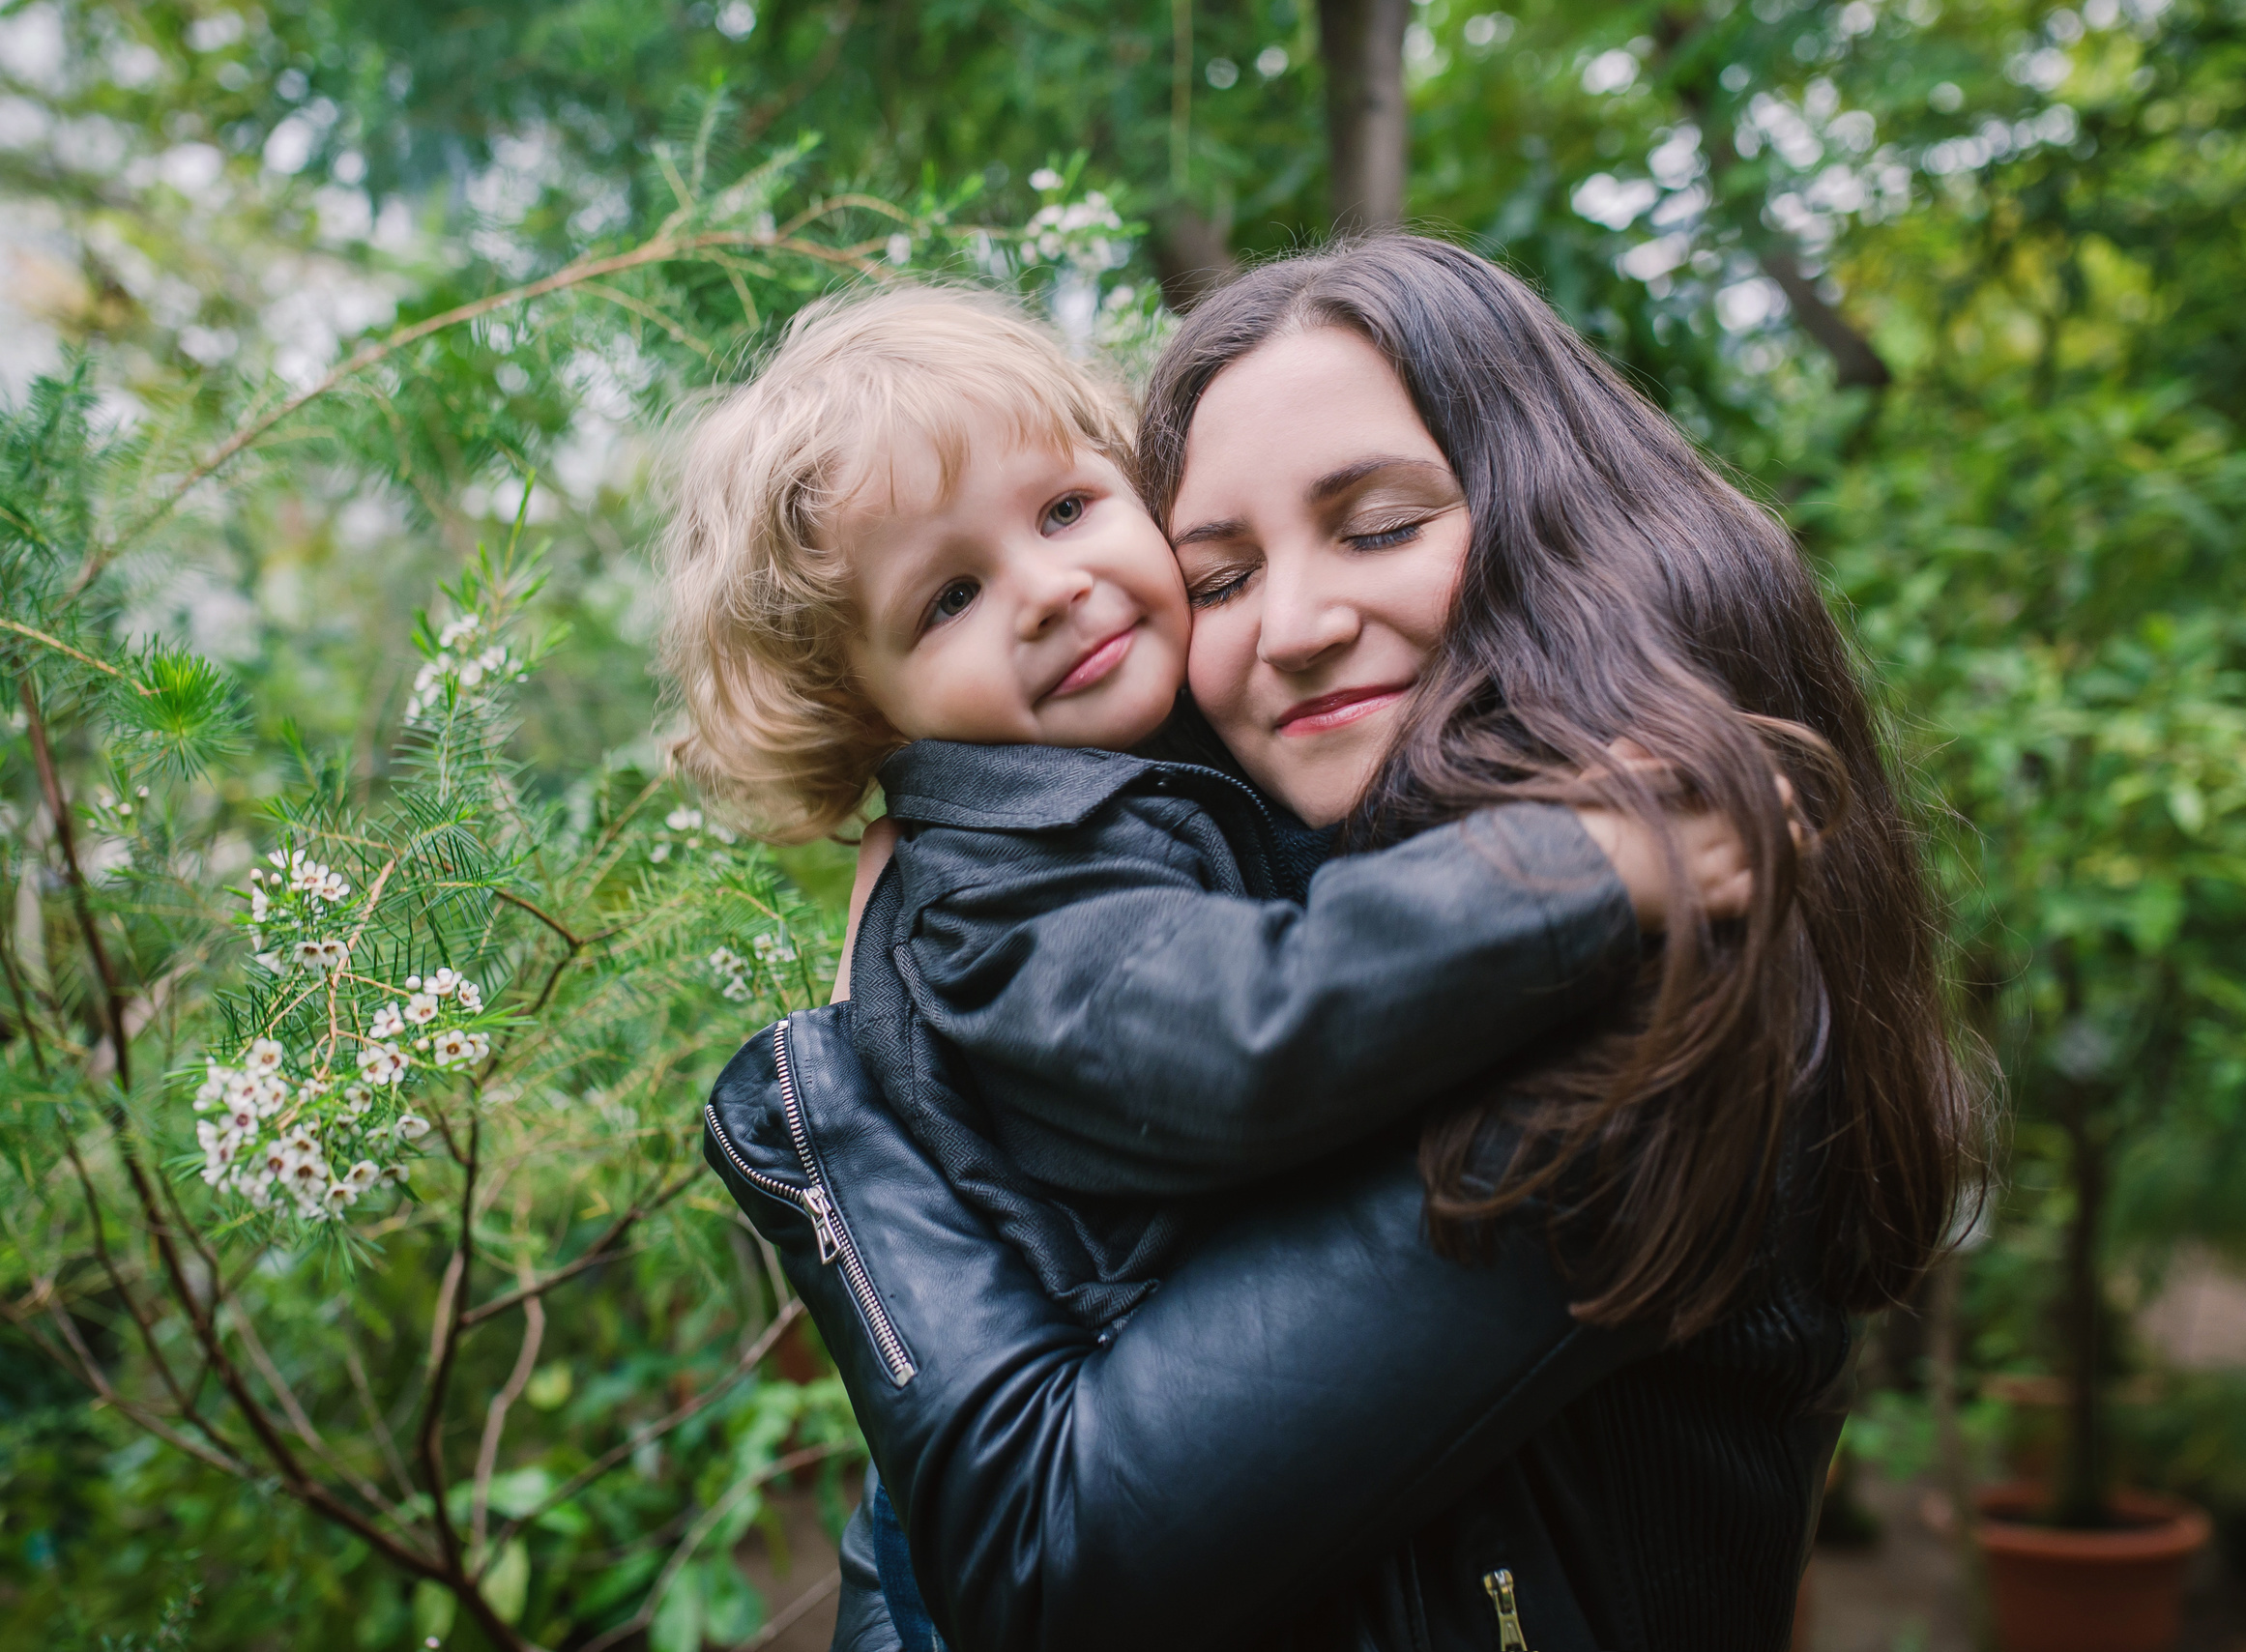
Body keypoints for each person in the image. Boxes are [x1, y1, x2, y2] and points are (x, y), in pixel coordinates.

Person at [699, 238, 1970, 1650]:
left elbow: (1057, 1552)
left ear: (1559, 517)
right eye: (1224, 574)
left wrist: (835, 1138)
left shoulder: (1649, 984)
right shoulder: (1028, 874)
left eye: (1375, 528)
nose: (1292, 626)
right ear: (872, 713)